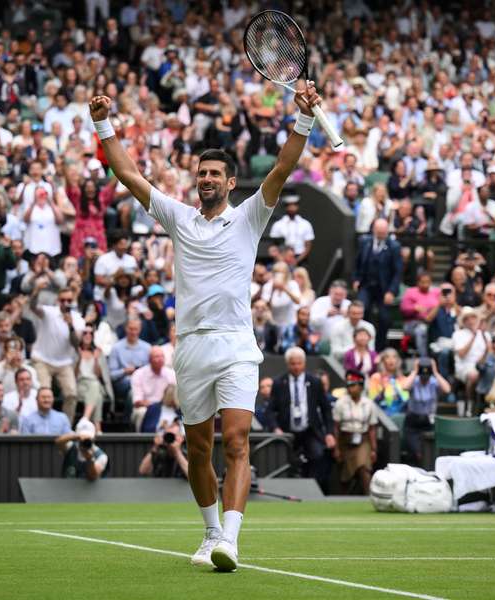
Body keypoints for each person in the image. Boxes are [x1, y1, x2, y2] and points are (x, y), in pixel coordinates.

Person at [90, 79, 321, 571]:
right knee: (199, 450)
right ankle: (210, 532)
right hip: (191, 348)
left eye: (216, 173)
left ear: (231, 182)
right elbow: (128, 173)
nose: (208, 179)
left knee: (236, 440)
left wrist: (302, 117)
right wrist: (103, 123)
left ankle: (231, 541)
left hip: (237, 346)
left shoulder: (251, 216)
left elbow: (283, 167)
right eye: (202, 173)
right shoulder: (179, 218)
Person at [265, 347, 335, 493]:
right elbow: (270, 410)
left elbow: (326, 409)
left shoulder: (315, 382)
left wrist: (329, 433)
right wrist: (275, 428)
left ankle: (312, 489)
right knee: (285, 460)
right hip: (286, 431)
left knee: (318, 455)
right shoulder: (278, 383)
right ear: (287, 364)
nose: (296, 367)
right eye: (293, 364)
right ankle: (288, 490)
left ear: (304, 363)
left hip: (310, 430)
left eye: (299, 363)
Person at [28, 283, 84, 424]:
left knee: (71, 394)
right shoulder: (49, 312)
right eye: (63, 300)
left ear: (73, 302)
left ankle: (65, 426)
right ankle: (41, 424)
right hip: (42, 359)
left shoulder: (78, 319)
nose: (66, 303)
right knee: (44, 392)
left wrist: (70, 325)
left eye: (69, 301)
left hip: (64, 362)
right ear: (58, 301)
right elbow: (33, 307)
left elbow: (76, 343)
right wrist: (36, 291)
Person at [353, 218, 403, 351]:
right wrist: (356, 279)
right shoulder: (365, 242)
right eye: (379, 231)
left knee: (384, 318)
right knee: (362, 311)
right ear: (374, 230)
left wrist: (391, 291)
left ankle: (379, 347)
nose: (381, 234)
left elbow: (398, 272)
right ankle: (361, 345)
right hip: (366, 284)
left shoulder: (394, 246)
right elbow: (357, 263)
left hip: (384, 288)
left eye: (384, 231)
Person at [332, 371, 379, 495]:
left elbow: (372, 428)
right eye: (348, 385)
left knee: (364, 467)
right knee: (346, 474)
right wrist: (337, 447)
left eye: (353, 385)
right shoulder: (341, 403)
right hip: (346, 439)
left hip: (363, 440)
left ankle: (369, 496)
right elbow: (336, 427)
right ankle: (342, 499)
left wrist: (374, 449)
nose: (350, 388)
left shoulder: (369, 404)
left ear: (361, 386)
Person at [401, 358, 451, 465]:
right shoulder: (414, 381)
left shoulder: (433, 382)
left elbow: (447, 389)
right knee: (417, 453)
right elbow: (404, 387)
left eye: (427, 375)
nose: (425, 378)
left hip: (429, 421)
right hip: (413, 422)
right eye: (422, 375)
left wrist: (435, 372)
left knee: (430, 451)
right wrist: (415, 371)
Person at [130, 347, 176, 431]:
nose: (160, 359)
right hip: (146, 407)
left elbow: (175, 398)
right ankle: (141, 439)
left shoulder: (171, 373)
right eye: (157, 357)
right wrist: (153, 406)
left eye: (162, 356)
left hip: (165, 406)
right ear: (149, 359)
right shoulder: (138, 374)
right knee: (140, 412)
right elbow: (137, 402)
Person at [268, 195, 314, 266]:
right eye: (289, 205)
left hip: (300, 259)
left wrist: (297, 260)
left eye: (294, 205)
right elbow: (274, 245)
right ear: (285, 207)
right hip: (282, 259)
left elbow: (308, 246)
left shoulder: (306, 224)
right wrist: (281, 259)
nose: (292, 208)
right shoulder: (278, 224)